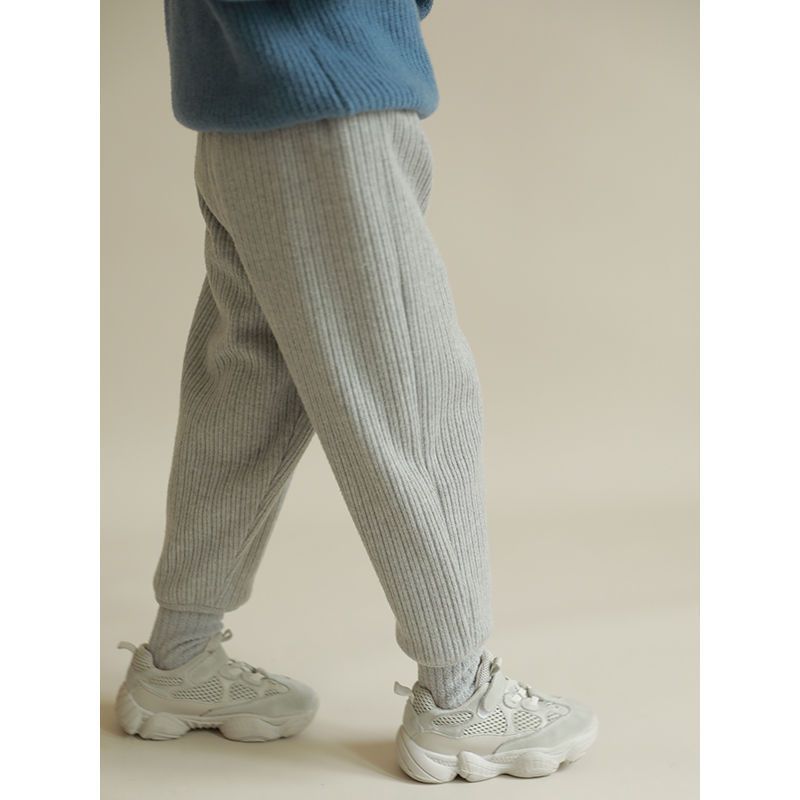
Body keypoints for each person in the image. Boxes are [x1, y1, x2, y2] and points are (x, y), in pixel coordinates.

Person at [114, 0, 597, 782]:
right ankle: (460, 698)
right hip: (328, 87)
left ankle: (180, 655)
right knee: (412, 390)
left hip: (236, 99)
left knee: (249, 387)